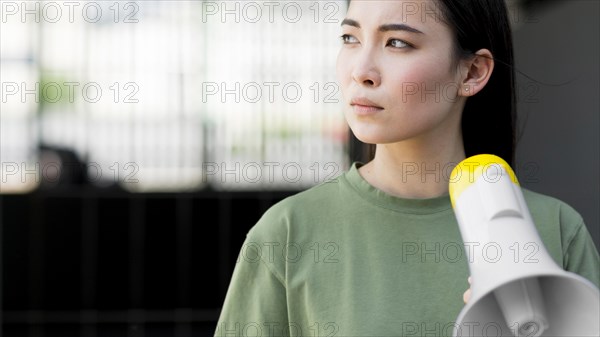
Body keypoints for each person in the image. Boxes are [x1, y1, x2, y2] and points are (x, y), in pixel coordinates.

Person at [214, 1, 600, 336]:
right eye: (350, 38)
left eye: (397, 43)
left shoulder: (556, 230)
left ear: (472, 73)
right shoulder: (286, 233)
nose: (361, 70)